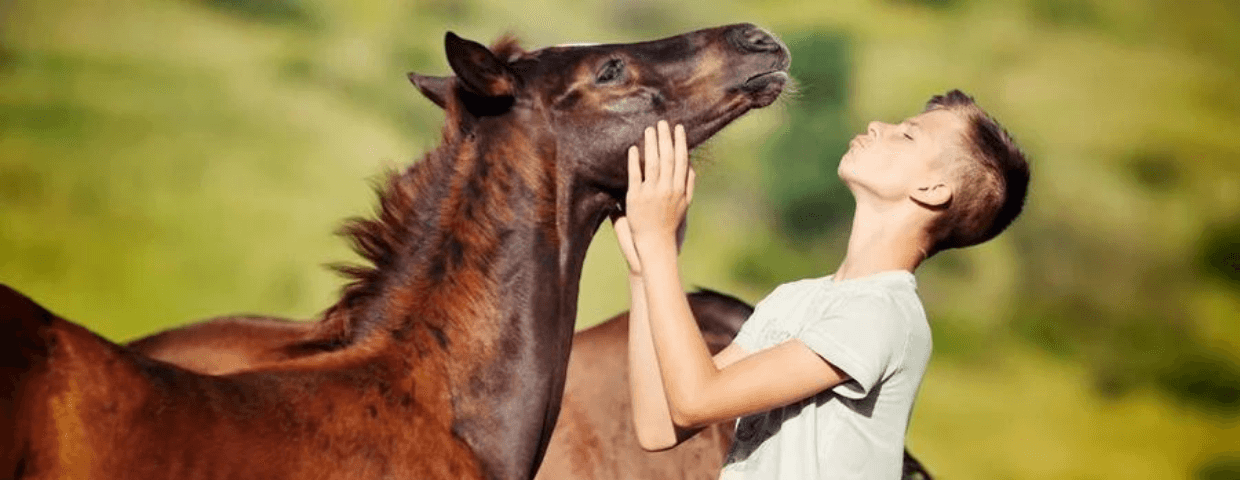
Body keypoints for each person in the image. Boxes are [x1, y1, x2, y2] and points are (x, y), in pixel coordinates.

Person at [612, 90, 1030, 479]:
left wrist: (660, 246)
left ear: (933, 190)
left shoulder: (883, 313)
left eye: (906, 135)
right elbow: (659, 427)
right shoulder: (795, 299)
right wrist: (643, 270)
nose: (878, 127)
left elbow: (697, 401)